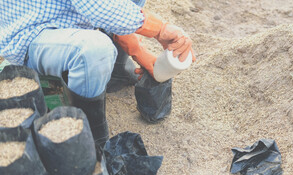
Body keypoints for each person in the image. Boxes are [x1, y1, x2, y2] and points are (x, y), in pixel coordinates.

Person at [0, 0, 196, 146]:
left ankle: (115, 70)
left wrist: (135, 48)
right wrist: (159, 29)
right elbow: (96, 5)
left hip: (74, 17)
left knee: (99, 45)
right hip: (32, 33)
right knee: (95, 50)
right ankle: (88, 139)